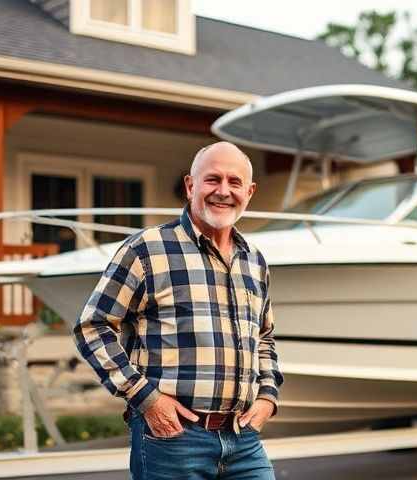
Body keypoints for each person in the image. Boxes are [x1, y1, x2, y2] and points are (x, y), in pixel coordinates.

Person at [73, 141, 283, 479]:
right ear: (190, 186)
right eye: (213, 179)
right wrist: (146, 399)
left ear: (250, 191)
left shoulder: (254, 260)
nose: (223, 191)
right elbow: (92, 326)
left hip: (243, 438)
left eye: (235, 182)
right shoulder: (146, 249)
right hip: (173, 438)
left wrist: (268, 397)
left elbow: (264, 337)